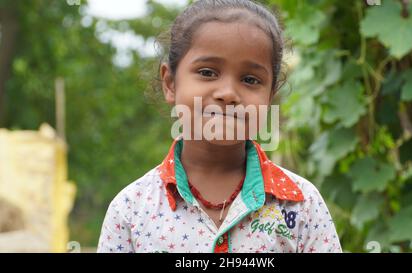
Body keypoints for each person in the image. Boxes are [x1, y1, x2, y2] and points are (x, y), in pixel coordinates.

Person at [98, 0, 342, 253]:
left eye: (250, 79)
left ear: (270, 96)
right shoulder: (131, 209)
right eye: (207, 72)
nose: (227, 93)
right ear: (170, 83)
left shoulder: (301, 205)